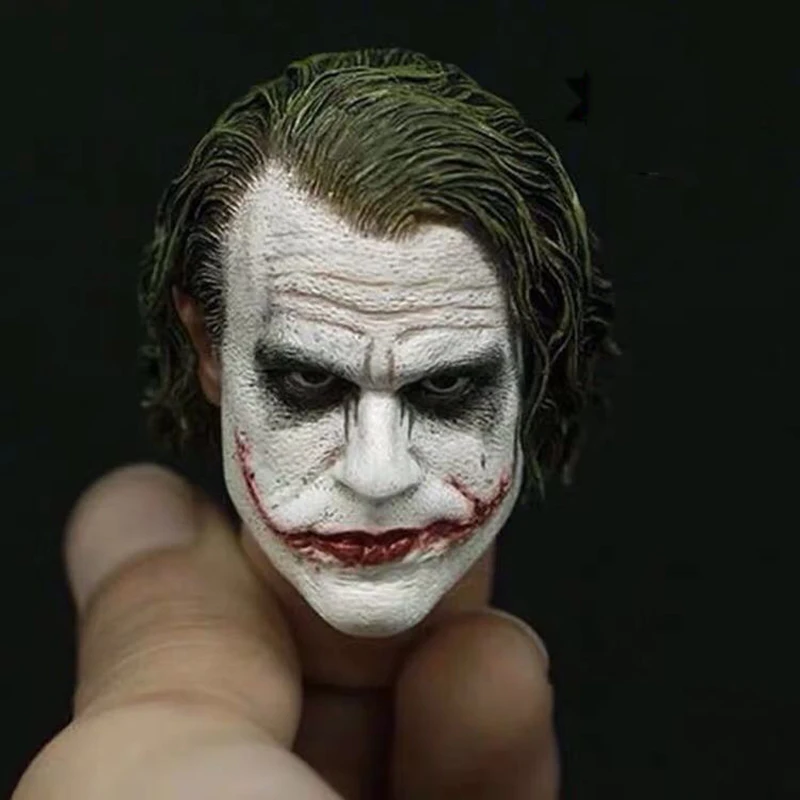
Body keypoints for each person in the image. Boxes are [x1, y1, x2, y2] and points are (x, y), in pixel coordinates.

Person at [14, 48, 616, 799]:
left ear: (535, 360)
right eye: (307, 380)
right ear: (210, 349)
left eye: (446, 384)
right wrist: (162, 738)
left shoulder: (477, 686)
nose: (377, 473)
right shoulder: (178, 627)